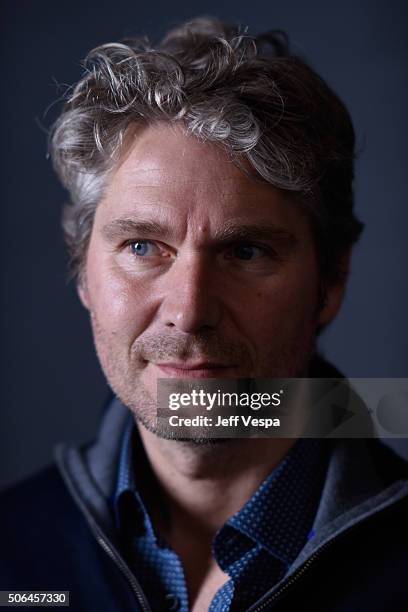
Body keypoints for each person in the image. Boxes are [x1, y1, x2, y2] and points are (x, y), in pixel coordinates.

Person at [1, 16, 407, 612]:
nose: (189, 312)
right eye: (142, 247)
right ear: (83, 270)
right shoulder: (12, 556)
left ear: (331, 279)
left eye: (246, 251)